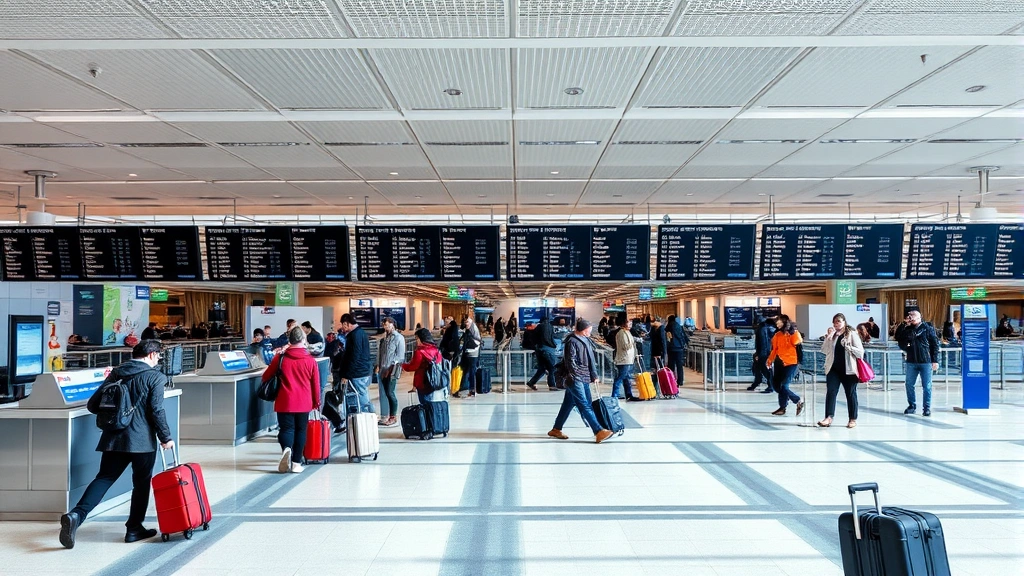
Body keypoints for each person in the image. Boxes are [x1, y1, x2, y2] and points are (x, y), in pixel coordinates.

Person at [59, 340, 174, 549]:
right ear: (150, 355)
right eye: (158, 355)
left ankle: (76, 515)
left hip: (114, 437)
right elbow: (156, 410)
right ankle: (133, 528)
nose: (158, 359)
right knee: (141, 484)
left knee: (104, 478)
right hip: (142, 441)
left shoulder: (116, 373)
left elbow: (93, 405)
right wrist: (166, 437)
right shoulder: (156, 377)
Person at [261, 327, 321, 474]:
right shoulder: (310, 360)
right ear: (303, 340)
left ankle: (286, 448)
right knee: (301, 431)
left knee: (286, 429)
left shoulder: (280, 358)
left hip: (284, 400)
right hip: (304, 401)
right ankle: (296, 463)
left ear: (290, 340)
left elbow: (266, 376)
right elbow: (316, 384)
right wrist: (316, 402)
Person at [547, 319, 614, 444]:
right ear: (583, 330)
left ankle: (556, 429)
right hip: (575, 378)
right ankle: (598, 431)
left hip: (584, 376)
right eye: (588, 329)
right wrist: (576, 375)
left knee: (568, 404)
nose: (590, 331)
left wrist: (593, 374)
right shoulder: (571, 341)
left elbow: (590, 359)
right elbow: (570, 361)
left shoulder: (586, 340)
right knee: (584, 404)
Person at [818, 313, 865, 429]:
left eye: (839, 321)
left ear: (844, 322)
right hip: (833, 369)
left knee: (850, 393)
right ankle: (828, 417)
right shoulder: (833, 335)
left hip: (848, 369)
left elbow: (860, 352)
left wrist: (848, 347)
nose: (836, 324)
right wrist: (828, 338)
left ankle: (852, 418)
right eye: (834, 322)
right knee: (831, 392)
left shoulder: (851, 334)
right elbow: (824, 350)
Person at [894, 310, 940, 417]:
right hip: (911, 361)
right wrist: (903, 324)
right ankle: (912, 405)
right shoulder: (907, 329)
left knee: (927, 386)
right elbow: (898, 337)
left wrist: (935, 360)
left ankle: (927, 407)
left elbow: (935, 345)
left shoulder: (927, 328)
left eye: (913, 316)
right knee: (909, 384)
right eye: (910, 316)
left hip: (926, 362)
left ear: (919, 317)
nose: (911, 317)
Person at [766, 315, 804, 417]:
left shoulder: (793, 333)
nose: (777, 324)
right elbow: (774, 349)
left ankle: (796, 401)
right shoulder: (777, 335)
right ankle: (783, 407)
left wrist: (794, 333)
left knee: (784, 385)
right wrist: (769, 361)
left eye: (778, 322)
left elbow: (798, 342)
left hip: (791, 362)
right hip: (779, 362)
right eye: (776, 323)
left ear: (784, 322)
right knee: (776, 385)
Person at [338, 313, 373, 412]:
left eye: (342, 325)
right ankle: (368, 417)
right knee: (363, 394)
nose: (342, 328)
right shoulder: (360, 332)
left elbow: (354, 356)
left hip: (358, 372)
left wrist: (346, 375)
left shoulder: (355, 335)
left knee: (361, 397)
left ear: (346, 324)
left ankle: (367, 418)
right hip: (362, 370)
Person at [376, 317, 406, 427]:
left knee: (390, 392)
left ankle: (393, 417)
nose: (385, 327)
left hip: (392, 370)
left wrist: (391, 367)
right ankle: (386, 415)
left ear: (393, 324)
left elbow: (400, 356)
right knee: (385, 393)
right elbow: (381, 354)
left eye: (387, 325)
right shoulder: (384, 339)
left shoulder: (398, 338)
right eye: (384, 325)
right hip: (383, 369)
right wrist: (378, 365)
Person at [403, 328, 442, 406]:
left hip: (422, 382)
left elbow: (413, 367)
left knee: (424, 404)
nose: (416, 341)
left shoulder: (420, 352)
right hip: (435, 381)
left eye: (416, 338)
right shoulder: (436, 350)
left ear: (421, 338)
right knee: (432, 404)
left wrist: (402, 366)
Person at [526, 316, 558, 391]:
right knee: (552, 368)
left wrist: (536, 346)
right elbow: (552, 338)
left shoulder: (538, 327)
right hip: (548, 350)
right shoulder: (550, 327)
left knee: (542, 369)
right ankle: (552, 385)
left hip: (539, 349)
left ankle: (531, 382)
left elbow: (533, 337)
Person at [454, 317, 482, 398]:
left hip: (472, 354)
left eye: (467, 322)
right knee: (466, 371)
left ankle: (470, 390)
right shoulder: (470, 330)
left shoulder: (472, 331)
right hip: (469, 354)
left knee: (470, 372)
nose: (466, 324)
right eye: (465, 322)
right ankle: (465, 389)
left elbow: (470, 343)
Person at [748, 315, 776, 393]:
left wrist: (759, 354)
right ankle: (757, 382)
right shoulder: (769, 328)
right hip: (766, 352)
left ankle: (771, 386)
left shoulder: (762, 329)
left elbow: (763, 342)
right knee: (758, 368)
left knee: (765, 369)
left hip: (764, 353)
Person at [613, 318, 638, 401]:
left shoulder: (627, 332)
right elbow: (625, 346)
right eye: (628, 323)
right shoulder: (622, 333)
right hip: (624, 360)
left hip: (628, 359)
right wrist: (634, 341)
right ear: (623, 324)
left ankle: (629, 395)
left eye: (631, 323)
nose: (630, 324)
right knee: (620, 378)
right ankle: (614, 396)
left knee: (627, 378)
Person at [665, 315, 688, 384]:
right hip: (679, 348)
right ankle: (680, 380)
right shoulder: (678, 326)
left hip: (671, 348)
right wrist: (682, 344)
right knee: (679, 365)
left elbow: (666, 334)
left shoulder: (669, 326)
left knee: (671, 365)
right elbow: (681, 336)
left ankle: (671, 380)